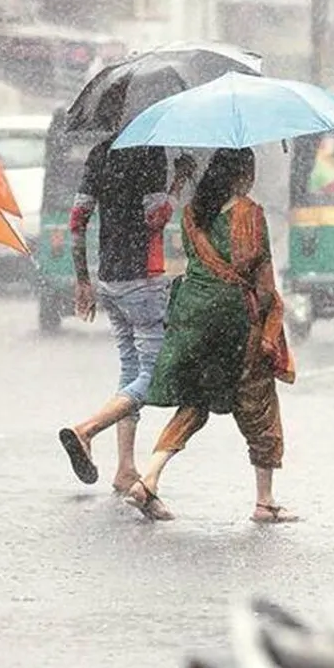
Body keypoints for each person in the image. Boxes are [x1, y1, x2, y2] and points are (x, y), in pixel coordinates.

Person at [124, 149, 298, 524]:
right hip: (234, 318)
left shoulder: (191, 214)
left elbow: (195, 260)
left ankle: (148, 478)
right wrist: (268, 315)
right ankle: (265, 502)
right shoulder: (249, 214)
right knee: (258, 403)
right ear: (243, 175)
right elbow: (263, 283)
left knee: (195, 401)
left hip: (192, 315)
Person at [56, 137, 196, 494]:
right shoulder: (149, 150)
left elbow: (77, 220)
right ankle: (85, 430)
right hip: (143, 280)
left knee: (130, 370)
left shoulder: (99, 151)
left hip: (108, 280)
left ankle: (125, 468)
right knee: (151, 375)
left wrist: (83, 280)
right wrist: (178, 182)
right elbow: (156, 217)